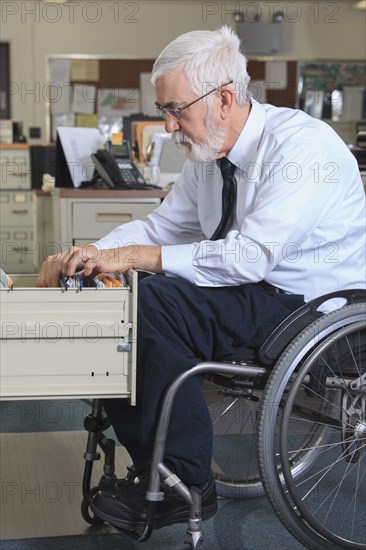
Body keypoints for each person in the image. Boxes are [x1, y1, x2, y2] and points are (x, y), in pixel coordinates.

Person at [36, 26, 365, 532]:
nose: (168, 126)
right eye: (164, 110)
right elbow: (160, 226)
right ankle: (158, 470)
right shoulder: (210, 157)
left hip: (310, 305)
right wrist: (91, 254)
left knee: (149, 303)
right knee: (126, 296)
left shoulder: (302, 149)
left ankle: (183, 480)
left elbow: (251, 257)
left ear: (224, 99)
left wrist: (135, 257)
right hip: (257, 292)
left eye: (175, 110)